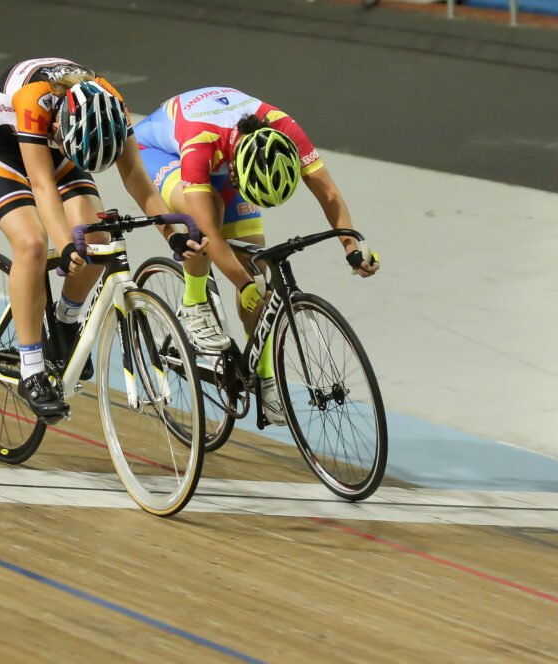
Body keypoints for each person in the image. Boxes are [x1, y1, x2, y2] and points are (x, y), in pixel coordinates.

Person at [0, 58, 206, 421]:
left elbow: (138, 180)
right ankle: (31, 369)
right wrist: (63, 246)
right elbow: (43, 187)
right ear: (61, 125)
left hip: (63, 148)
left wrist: (172, 233)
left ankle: (65, 321)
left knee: (97, 234)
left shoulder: (110, 105)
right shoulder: (34, 101)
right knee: (31, 242)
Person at [134, 86, 379, 425]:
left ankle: (265, 377)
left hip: (225, 156)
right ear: (236, 171)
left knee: (256, 265)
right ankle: (193, 303)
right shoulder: (199, 143)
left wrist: (351, 246)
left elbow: (329, 193)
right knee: (210, 217)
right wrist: (242, 283)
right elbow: (210, 234)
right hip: (161, 151)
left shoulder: (285, 129)